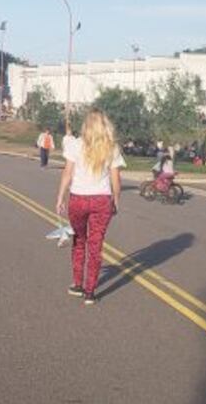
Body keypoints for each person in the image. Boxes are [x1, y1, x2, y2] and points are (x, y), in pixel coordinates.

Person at [55, 109, 125, 305]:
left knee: (79, 240)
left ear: (86, 126)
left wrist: (60, 197)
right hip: (102, 200)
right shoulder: (112, 148)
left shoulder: (75, 145)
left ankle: (78, 283)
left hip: (78, 199)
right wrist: (116, 201)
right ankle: (90, 291)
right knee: (96, 245)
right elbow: (115, 180)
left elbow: (67, 174)